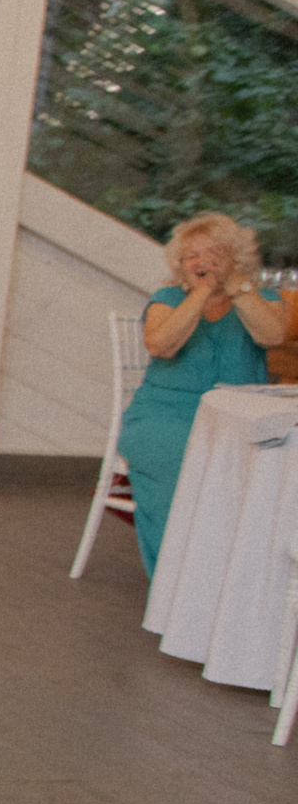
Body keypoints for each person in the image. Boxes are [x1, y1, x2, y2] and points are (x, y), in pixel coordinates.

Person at [116, 211, 287, 574]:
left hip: (239, 417)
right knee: (177, 478)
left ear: (234, 258)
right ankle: (176, 591)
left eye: (213, 253)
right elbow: (160, 345)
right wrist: (201, 293)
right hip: (164, 415)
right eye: (192, 255)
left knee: (271, 477)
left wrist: (235, 286)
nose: (202, 261)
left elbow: (272, 336)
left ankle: (231, 589)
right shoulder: (167, 297)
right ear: (180, 264)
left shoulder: (263, 298)